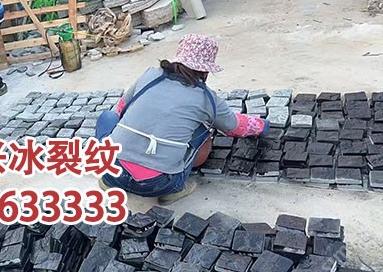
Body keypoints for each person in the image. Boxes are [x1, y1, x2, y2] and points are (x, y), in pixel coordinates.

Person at [97, 34, 269, 205]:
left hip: (111, 170)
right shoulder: (207, 98)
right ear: (206, 69)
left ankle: (108, 182)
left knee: (107, 117)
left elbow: (121, 108)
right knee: (204, 130)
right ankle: (174, 191)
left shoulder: (150, 75)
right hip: (158, 185)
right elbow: (234, 127)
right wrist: (263, 125)